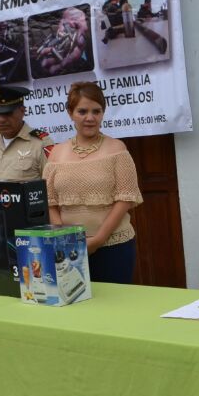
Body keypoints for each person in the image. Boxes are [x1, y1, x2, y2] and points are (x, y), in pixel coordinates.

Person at [43, 82, 142, 283]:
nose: (90, 118)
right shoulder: (56, 154)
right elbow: (50, 202)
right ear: (70, 113)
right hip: (69, 250)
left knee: (113, 310)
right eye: (82, 111)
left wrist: (97, 241)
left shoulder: (117, 149)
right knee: (76, 311)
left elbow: (124, 199)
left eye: (96, 111)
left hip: (114, 248)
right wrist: (65, 238)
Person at [0, 85, 52, 181]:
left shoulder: (40, 143)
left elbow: (53, 186)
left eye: (7, 113)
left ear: (22, 111)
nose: (1, 120)